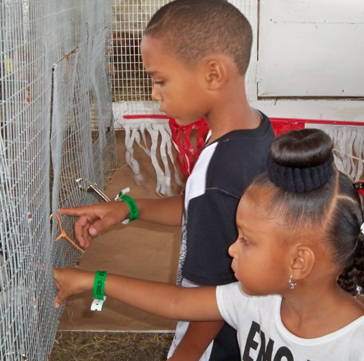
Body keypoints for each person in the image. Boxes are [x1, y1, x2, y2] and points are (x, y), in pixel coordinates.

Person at [54, 129, 364, 361]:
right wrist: (88, 281)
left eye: (246, 241)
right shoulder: (256, 300)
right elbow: (176, 302)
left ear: (299, 262)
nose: (232, 249)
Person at [59, 1, 274, 360]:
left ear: (213, 74)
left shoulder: (221, 170)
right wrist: (128, 208)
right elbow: (200, 205)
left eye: (160, 80)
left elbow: (216, 298)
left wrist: (184, 355)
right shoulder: (252, 132)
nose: (154, 94)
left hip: (215, 344)